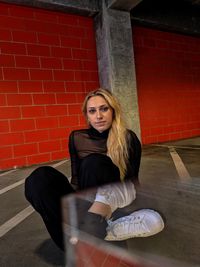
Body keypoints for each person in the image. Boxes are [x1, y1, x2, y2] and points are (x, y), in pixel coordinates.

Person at [25, 88, 164, 251]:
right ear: (87, 115)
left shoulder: (128, 138)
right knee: (39, 179)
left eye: (104, 109)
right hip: (85, 200)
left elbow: (131, 184)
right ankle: (80, 238)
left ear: (113, 111)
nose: (98, 116)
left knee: (95, 163)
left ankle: (93, 231)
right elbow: (76, 179)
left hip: (113, 201)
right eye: (92, 111)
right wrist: (70, 204)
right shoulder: (77, 138)